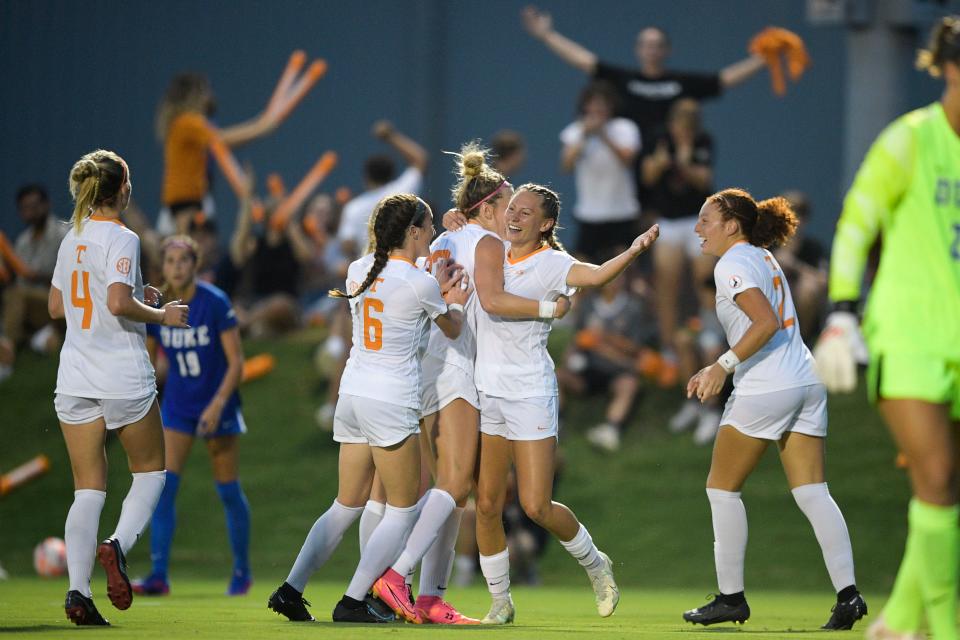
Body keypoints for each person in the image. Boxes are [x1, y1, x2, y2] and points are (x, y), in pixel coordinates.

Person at [370, 144, 571, 625]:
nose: (515, 217)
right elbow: (496, 297)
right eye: (509, 208)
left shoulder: (447, 239)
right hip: (457, 365)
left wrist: (457, 218)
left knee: (431, 493)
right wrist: (551, 308)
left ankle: (415, 596)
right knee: (454, 483)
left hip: (422, 363)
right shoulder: (484, 243)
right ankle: (396, 578)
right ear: (487, 208)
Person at [814, 17, 960, 640]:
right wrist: (842, 311)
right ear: (950, 67)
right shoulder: (912, 139)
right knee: (937, 477)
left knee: (944, 489)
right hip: (907, 334)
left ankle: (901, 619)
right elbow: (856, 223)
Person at [267, 193, 470, 623]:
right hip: (391, 399)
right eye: (428, 225)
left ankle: (290, 588)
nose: (432, 232)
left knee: (346, 504)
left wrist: (429, 277)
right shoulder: (420, 283)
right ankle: (354, 600)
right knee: (403, 508)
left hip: (353, 393)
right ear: (413, 231)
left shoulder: (360, 267)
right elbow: (451, 328)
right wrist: (455, 298)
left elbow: (398, 282)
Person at [473, 184, 658, 624]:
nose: (514, 217)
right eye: (511, 209)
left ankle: (597, 565)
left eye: (525, 212)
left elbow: (594, 276)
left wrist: (632, 252)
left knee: (536, 506)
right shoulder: (490, 251)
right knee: (485, 504)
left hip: (530, 391)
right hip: (489, 390)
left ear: (546, 224)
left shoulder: (553, 262)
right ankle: (500, 602)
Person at [681, 188, 866, 629]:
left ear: (731, 225)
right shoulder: (762, 257)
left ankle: (730, 598)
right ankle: (849, 596)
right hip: (805, 378)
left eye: (706, 220)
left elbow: (764, 322)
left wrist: (720, 366)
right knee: (812, 492)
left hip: (768, 385)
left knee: (721, 488)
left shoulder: (732, 263)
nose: (697, 229)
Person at [50, 150, 189, 625]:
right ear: (122, 189)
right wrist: (161, 313)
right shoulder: (123, 236)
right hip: (120, 373)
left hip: (74, 376)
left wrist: (135, 296)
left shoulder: (73, 236)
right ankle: (118, 546)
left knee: (87, 490)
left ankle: (77, 593)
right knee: (151, 471)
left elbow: (55, 306)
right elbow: (114, 302)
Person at [132, 235, 250, 597]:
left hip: (217, 404)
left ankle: (242, 571)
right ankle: (158, 575)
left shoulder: (214, 302)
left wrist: (216, 405)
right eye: (170, 261)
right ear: (162, 267)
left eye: (183, 261)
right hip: (179, 408)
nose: (176, 267)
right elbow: (149, 363)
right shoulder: (158, 308)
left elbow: (237, 362)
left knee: (228, 490)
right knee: (164, 491)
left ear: (195, 264)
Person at [520, 6, 766, 141]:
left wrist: (763, 59)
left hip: (667, 164)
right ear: (638, 49)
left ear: (667, 50)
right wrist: (547, 36)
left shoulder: (680, 83)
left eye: (658, 45)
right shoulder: (624, 79)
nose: (652, 50)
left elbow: (723, 80)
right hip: (629, 161)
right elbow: (584, 61)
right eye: (647, 45)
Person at [642, 98, 716, 383]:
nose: (684, 132)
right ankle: (669, 351)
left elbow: (705, 181)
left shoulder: (703, 142)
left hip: (696, 221)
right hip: (668, 222)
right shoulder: (659, 140)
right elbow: (647, 176)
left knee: (705, 280)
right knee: (667, 285)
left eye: (690, 127)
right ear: (672, 124)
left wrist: (685, 162)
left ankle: (710, 337)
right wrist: (660, 163)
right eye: (680, 126)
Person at [155, 73, 277, 235]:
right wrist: (260, 127)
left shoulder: (184, 123)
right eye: (206, 91)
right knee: (186, 245)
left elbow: (219, 143)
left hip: (187, 198)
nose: (210, 96)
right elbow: (221, 140)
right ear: (194, 95)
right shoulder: (187, 122)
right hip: (185, 199)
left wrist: (260, 126)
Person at [556, 270, 647, 452]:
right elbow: (577, 338)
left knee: (629, 384)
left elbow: (636, 348)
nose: (612, 282)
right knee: (557, 376)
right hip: (587, 368)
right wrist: (570, 356)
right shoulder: (588, 304)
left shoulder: (633, 307)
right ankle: (557, 423)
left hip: (617, 370)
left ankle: (611, 429)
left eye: (618, 277)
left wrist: (605, 338)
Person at [560, 81, 641, 262]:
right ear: (585, 106)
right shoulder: (575, 131)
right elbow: (566, 165)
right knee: (582, 274)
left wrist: (604, 134)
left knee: (619, 274)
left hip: (622, 213)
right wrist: (585, 135)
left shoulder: (625, 128)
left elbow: (627, 160)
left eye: (602, 103)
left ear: (611, 106)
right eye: (593, 103)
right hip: (589, 214)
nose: (597, 108)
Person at [1, 184, 68, 381]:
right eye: (25, 207)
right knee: (13, 295)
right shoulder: (23, 240)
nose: (31, 211)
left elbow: (71, 278)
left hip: (58, 300)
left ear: (46, 204)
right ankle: (39, 338)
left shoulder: (62, 234)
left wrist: (36, 276)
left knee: (17, 294)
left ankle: (5, 355)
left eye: (35, 205)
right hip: (31, 303)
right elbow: (21, 280)